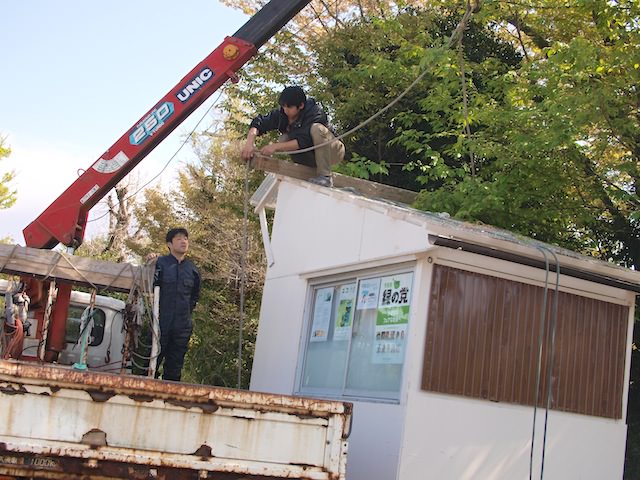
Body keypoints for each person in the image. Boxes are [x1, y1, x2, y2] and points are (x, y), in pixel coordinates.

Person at [241, 85, 345, 187]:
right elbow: (259, 123)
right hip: (311, 156)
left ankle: (325, 176)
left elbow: (304, 140)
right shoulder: (282, 113)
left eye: (289, 107)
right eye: (283, 106)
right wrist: (249, 144)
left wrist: (274, 147)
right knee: (284, 139)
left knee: (317, 129)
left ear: (301, 106)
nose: (285, 110)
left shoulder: (315, 112)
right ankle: (305, 170)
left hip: (333, 151)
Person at [152, 227, 200, 381]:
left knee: (174, 367)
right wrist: (150, 259)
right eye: (179, 239)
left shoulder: (193, 270)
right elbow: (149, 288)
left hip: (182, 326)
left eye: (185, 239)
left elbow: (194, 296)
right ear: (169, 244)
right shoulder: (159, 263)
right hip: (160, 323)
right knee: (151, 363)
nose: (183, 242)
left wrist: (185, 317)